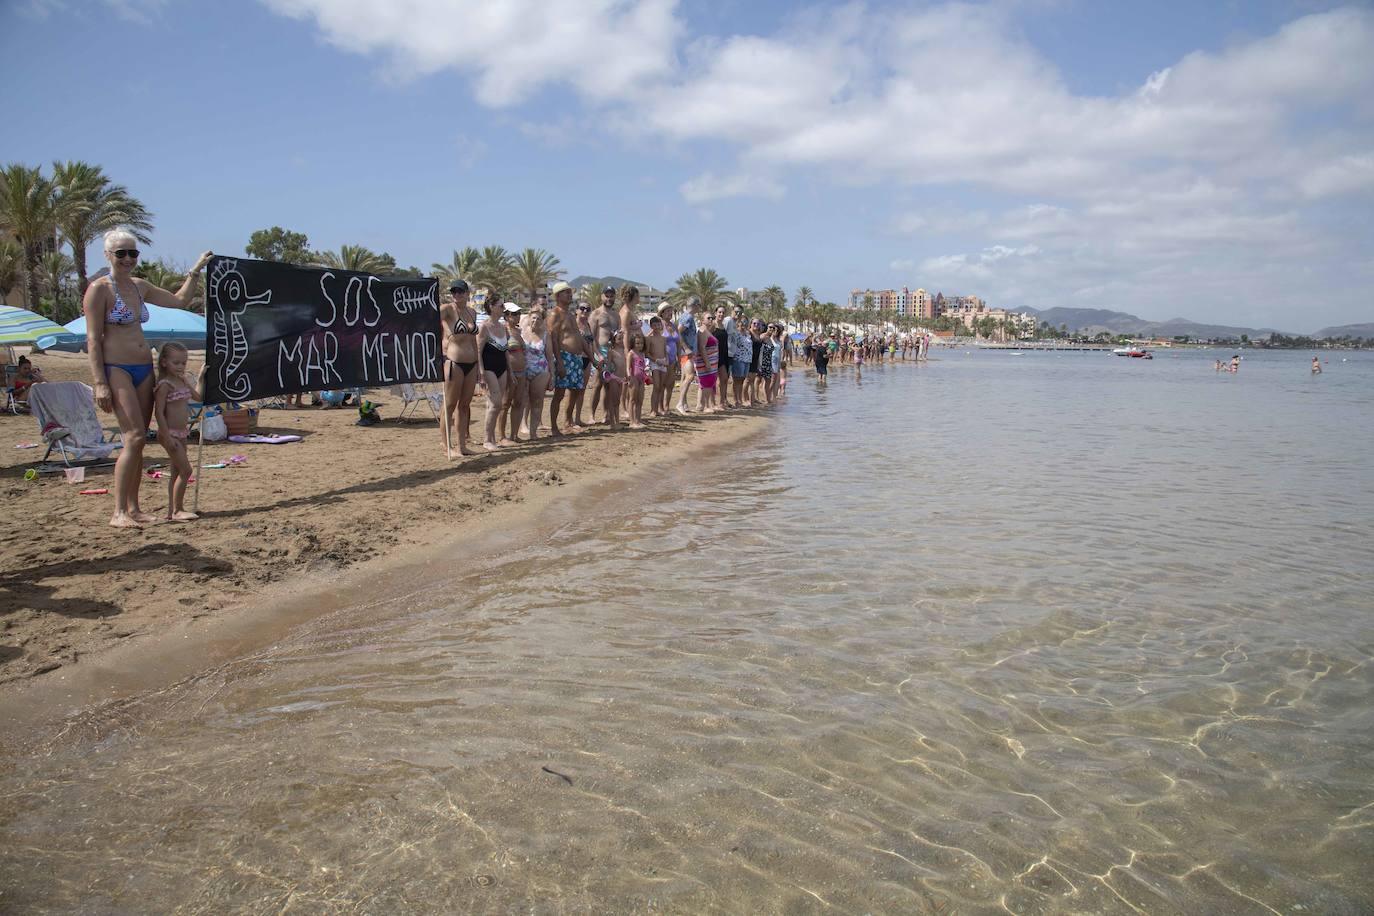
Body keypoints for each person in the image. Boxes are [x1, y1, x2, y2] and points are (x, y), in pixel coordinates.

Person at [83, 228, 211, 528]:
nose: (128, 259)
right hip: (117, 369)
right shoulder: (99, 290)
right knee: (134, 437)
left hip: (144, 367)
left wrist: (195, 270)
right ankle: (118, 512)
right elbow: (93, 339)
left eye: (133, 253)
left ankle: (134, 508)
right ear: (108, 255)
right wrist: (100, 382)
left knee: (140, 442)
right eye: (121, 253)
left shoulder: (140, 286)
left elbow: (179, 301)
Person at [152, 342, 201, 521]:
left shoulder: (181, 381)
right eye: (176, 363)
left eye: (183, 363)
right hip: (170, 434)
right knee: (186, 471)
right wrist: (166, 434)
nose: (181, 366)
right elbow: (158, 412)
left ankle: (172, 510)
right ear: (164, 362)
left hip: (182, 433)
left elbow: (199, 397)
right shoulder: (165, 384)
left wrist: (200, 377)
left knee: (176, 472)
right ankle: (177, 510)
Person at [439, 279, 480, 458]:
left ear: (467, 293)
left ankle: (461, 445)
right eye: (454, 291)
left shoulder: (472, 312)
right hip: (453, 362)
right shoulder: (447, 309)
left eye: (460, 291)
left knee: (464, 406)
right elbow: (428, 319)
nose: (457, 294)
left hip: (471, 363)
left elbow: (473, 340)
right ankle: (446, 445)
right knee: (449, 405)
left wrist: (478, 364)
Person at [548, 282, 589, 436]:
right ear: (558, 296)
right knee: (559, 394)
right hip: (564, 357)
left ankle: (567, 422)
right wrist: (559, 362)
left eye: (570, 292)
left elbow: (579, 337)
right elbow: (554, 339)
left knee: (576, 391)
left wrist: (592, 357)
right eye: (566, 292)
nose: (570, 295)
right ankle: (553, 427)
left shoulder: (571, 315)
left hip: (576, 358)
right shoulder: (555, 314)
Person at [477, 296, 510, 451]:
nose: (503, 308)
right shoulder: (484, 326)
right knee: (496, 403)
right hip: (489, 367)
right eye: (501, 305)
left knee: (496, 404)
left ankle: (491, 438)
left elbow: (505, 352)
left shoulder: (503, 327)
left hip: (502, 368)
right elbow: (478, 351)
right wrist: (481, 373)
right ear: (491, 307)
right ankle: (486, 439)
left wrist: (510, 372)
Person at [588, 285, 620, 423]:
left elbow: (618, 334)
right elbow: (591, 337)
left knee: (609, 384)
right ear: (601, 296)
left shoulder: (616, 315)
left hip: (612, 352)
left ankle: (606, 414)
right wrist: (597, 354)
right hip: (600, 350)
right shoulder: (596, 314)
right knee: (597, 384)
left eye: (611, 295)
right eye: (606, 295)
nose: (609, 298)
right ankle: (591, 415)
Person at [522, 299, 553, 438]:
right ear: (529, 318)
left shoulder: (546, 335)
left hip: (541, 370)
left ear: (543, 320)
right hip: (524, 369)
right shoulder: (522, 332)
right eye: (533, 318)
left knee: (537, 400)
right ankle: (523, 425)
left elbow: (550, 356)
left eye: (539, 319)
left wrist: (552, 377)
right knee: (523, 399)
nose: (535, 321)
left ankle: (533, 432)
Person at [499, 303, 528, 443]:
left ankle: (514, 435)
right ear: (506, 316)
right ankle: (502, 436)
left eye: (519, 313)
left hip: (522, 371)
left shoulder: (518, 331)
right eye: (514, 314)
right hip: (509, 372)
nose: (517, 316)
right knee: (505, 404)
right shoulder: (503, 331)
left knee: (518, 403)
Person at [674, 297, 700, 414]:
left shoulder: (687, 316)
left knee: (685, 377)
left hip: (687, 351)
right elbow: (678, 332)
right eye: (698, 305)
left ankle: (684, 403)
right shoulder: (688, 317)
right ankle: (680, 403)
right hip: (686, 352)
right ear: (695, 305)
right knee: (690, 376)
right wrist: (685, 348)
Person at [600, 329, 627, 430]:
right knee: (613, 400)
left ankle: (617, 421)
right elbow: (608, 365)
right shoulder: (611, 352)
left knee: (618, 401)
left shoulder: (624, 351)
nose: (621, 340)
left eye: (622, 339)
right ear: (614, 340)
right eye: (619, 339)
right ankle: (612, 422)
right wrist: (606, 375)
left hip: (622, 378)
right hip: (614, 378)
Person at [646, 316, 669, 417]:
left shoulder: (664, 338)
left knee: (661, 387)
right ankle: (653, 410)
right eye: (654, 325)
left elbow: (665, 351)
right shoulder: (649, 339)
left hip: (663, 363)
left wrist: (666, 361)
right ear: (651, 326)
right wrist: (656, 360)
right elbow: (647, 353)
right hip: (654, 363)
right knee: (656, 386)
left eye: (658, 324)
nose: (657, 327)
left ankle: (658, 409)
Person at [626, 329, 649, 429]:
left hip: (641, 378)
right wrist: (629, 377)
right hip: (633, 378)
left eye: (641, 343)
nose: (639, 345)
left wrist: (646, 376)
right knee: (632, 400)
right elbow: (628, 367)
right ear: (633, 343)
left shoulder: (642, 354)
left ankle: (638, 420)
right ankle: (632, 421)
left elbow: (643, 367)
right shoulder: (631, 353)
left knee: (640, 400)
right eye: (637, 343)